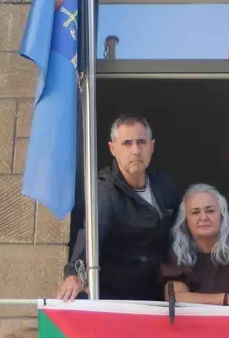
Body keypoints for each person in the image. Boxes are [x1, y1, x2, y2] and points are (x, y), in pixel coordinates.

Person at [56, 114, 179, 302]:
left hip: (158, 293)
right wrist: (74, 273)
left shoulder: (165, 185)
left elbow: (181, 232)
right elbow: (91, 232)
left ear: (151, 146)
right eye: (127, 143)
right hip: (116, 298)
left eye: (141, 142)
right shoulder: (105, 189)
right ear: (113, 148)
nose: (136, 150)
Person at [160, 184, 229, 306]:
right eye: (195, 212)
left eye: (210, 211)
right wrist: (226, 299)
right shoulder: (177, 255)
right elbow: (176, 298)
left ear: (222, 215)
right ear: (186, 221)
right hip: (195, 323)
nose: (203, 217)